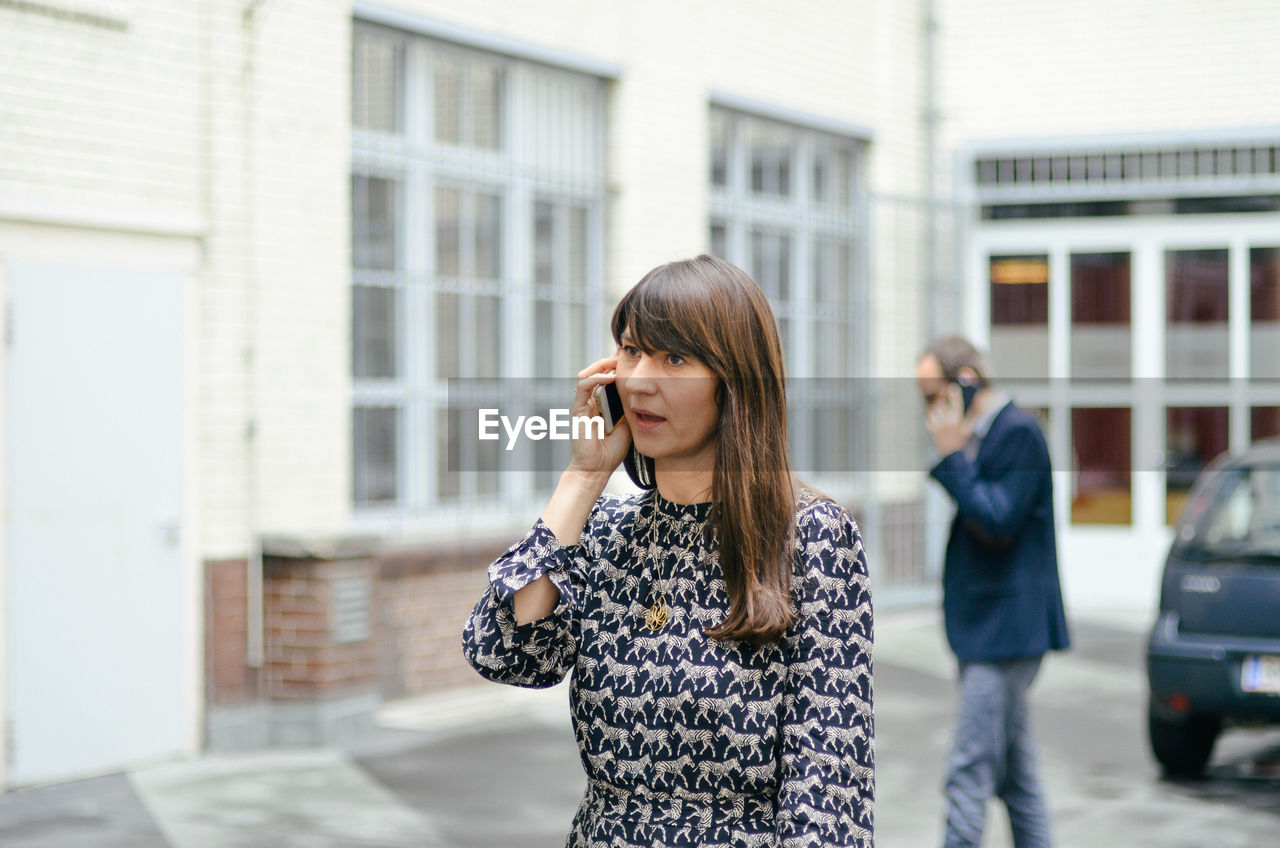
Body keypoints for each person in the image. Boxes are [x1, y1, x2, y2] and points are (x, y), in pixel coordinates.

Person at [463, 255, 874, 848]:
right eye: (630, 351)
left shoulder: (811, 536)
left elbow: (829, 789)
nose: (638, 380)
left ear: (733, 379)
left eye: (674, 358)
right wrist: (582, 479)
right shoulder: (606, 528)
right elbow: (509, 652)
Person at [915, 336, 1070, 848]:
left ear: (965, 384)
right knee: (1016, 776)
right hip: (991, 630)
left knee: (969, 767)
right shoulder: (985, 434)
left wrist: (954, 457)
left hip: (1007, 633)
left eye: (932, 396)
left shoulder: (1019, 432)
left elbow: (1000, 520)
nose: (929, 411)